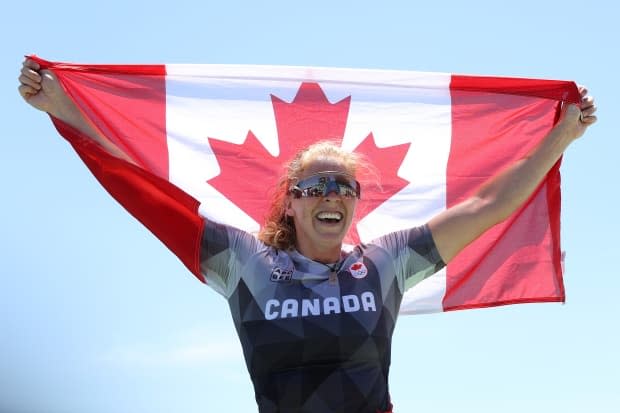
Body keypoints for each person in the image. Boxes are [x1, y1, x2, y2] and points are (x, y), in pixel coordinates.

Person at [18, 58, 597, 413]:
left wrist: (561, 137)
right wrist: (63, 107)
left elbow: (487, 204)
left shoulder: (390, 260)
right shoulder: (242, 261)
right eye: (317, 184)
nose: (333, 195)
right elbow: (140, 189)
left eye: (346, 187)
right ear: (290, 201)